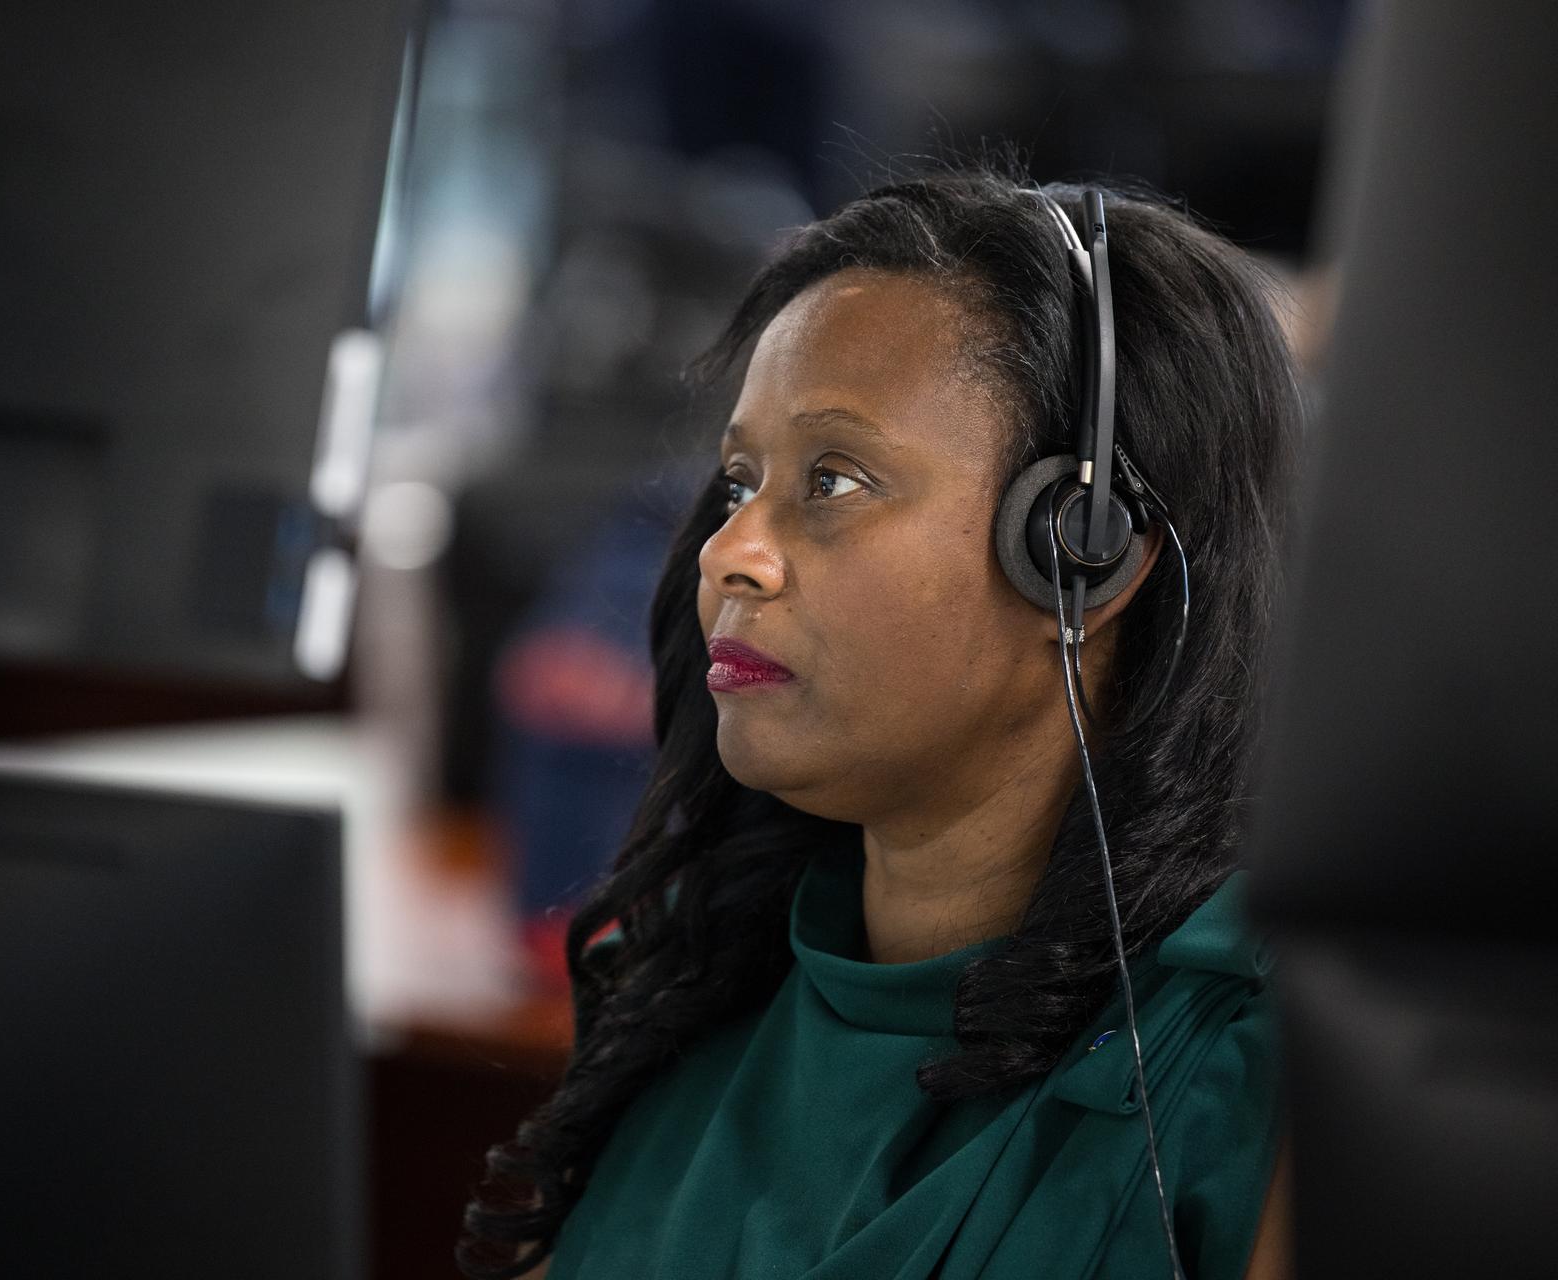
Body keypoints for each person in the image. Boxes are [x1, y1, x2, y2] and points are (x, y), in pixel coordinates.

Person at [457, 166, 1300, 1280]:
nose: (727, 551)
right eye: (737, 481)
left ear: (1080, 549)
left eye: (835, 479)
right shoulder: (698, 990)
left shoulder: (1264, 1069)